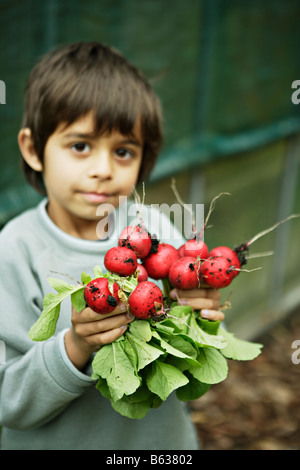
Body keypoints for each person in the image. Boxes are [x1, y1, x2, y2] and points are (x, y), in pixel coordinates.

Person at [0, 41, 223, 450]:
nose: (102, 170)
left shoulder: (155, 230)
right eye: (80, 146)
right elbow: (6, 401)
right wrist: (75, 345)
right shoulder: (13, 250)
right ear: (33, 149)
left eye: (123, 151)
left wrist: (202, 319)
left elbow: (197, 370)